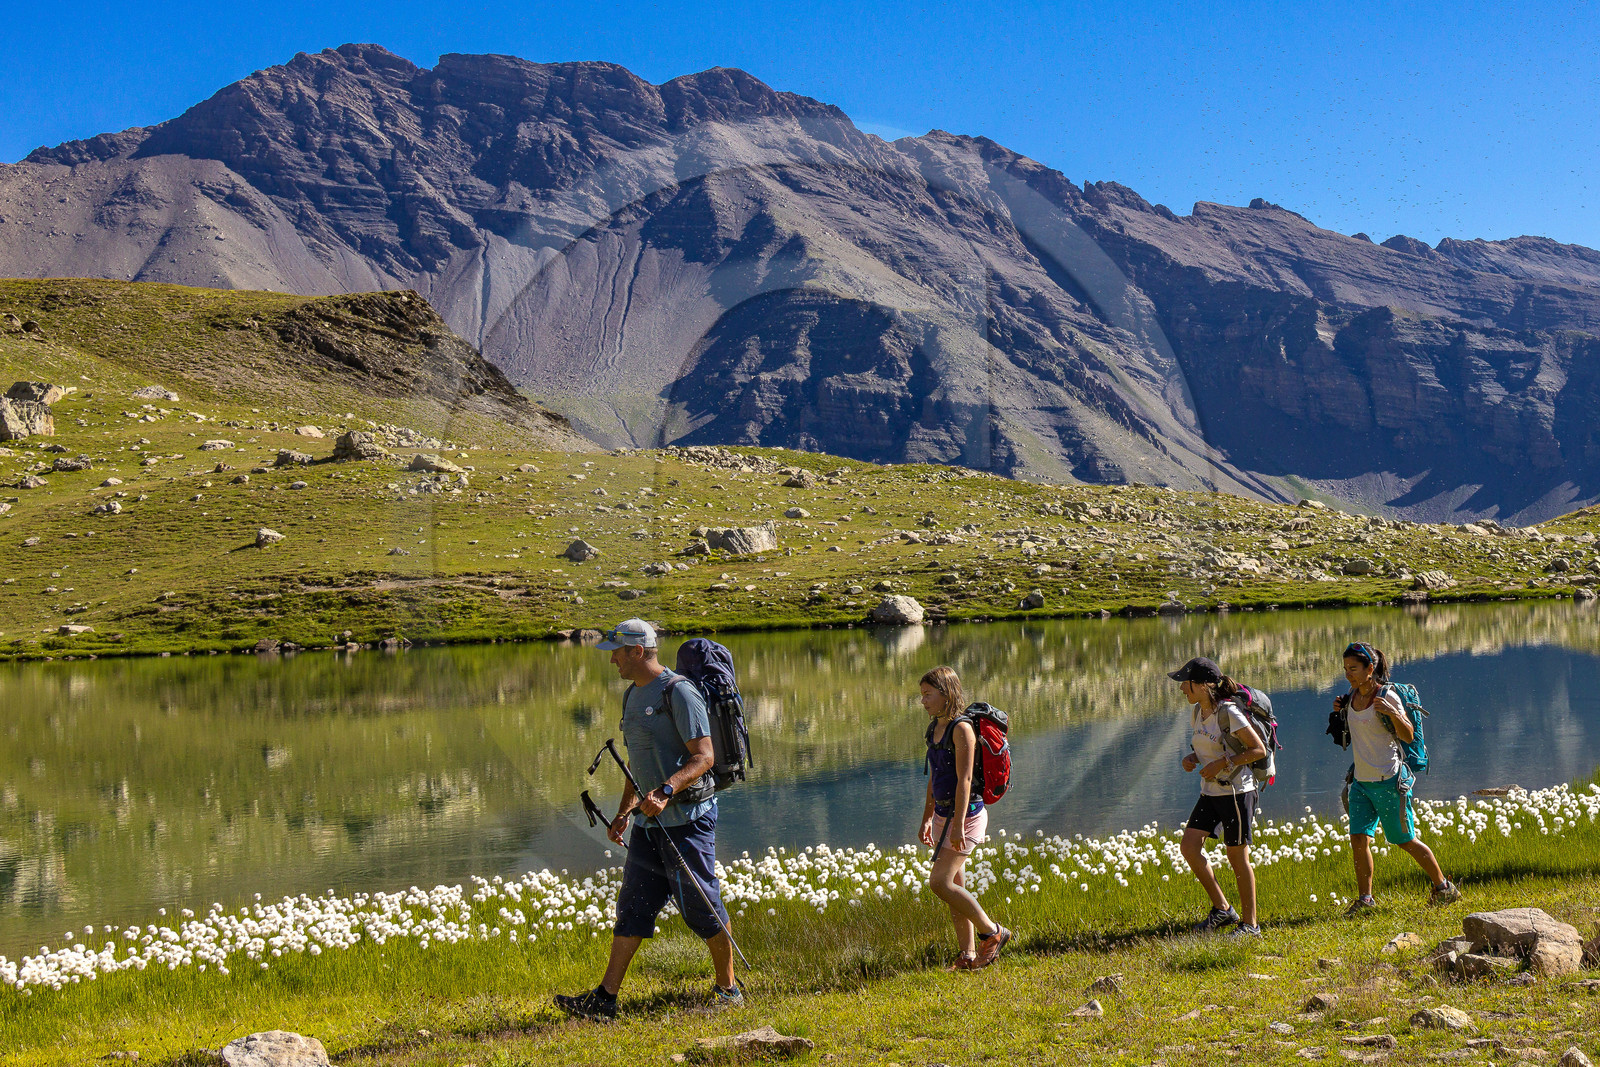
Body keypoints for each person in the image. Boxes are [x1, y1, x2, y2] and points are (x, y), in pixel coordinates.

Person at [555, 619, 741, 1021]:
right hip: (648, 826)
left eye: (617, 653)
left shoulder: (680, 692)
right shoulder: (630, 697)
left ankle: (728, 989)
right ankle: (604, 1000)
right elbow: (635, 766)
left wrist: (666, 791)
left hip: (688, 820)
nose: (613, 661)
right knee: (633, 908)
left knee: (702, 906)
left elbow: (704, 757)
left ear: (638, 651)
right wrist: (624, 812)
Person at [1335, 642, 1460, 913]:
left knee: (1404, 840)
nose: (1348, 674)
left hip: (1390, 781)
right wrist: (1339, 712)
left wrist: (1392, 712)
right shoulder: (1351, 696)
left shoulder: (1387, 697)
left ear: (1371, 669)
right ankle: (1365, 899)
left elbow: (1408, 735)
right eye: (1345, 668)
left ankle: (1444, 888)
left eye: (1353, 668)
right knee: (1358, 839)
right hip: (1361, 782)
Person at [918, 665, 1011, 970]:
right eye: (922, 695)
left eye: (928, 694)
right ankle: (968, 955)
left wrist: (957, 825)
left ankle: (993, 932)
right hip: (945, 816)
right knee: (954, 888)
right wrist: (927, 818)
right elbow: (935, 776)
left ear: (945, 694)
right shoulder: (935, 728)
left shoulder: (962, 729)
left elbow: (965, 780)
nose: (923, 701)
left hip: (967, 817)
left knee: (940, 883)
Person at [1171, 656, 1269, 937]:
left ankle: (1250, 925)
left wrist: (1222, 764)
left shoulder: (1229, 713)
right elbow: (1206, 747)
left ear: (1203, 685)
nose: (1181, 689)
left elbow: (1258, 750)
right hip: (1212, 791)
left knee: (1237, 857)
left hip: (1237, 792)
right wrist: (1193, 758)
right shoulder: (1197, 712)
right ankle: (1223, 910)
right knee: (1189, 847)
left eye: (1185, 684)